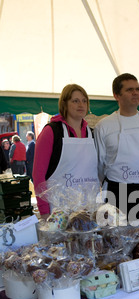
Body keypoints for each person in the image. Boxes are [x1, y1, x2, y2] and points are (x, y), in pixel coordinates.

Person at [94, 73, 139, 235]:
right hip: (115, 192)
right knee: (115, 246)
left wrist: (138, 174)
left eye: (138, 89)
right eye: (130, 90)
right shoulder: (103, 126)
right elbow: (99, 163)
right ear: (116, 95)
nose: (135, 93)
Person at [33, 84, 100, 219]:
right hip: (59, 212)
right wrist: (44, 212)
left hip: (89, 210)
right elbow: (38, 175)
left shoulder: (92, 133)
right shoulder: (51, 132)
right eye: (75, 101)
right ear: (64, 104)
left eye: (84, 101)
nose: (81, 104)